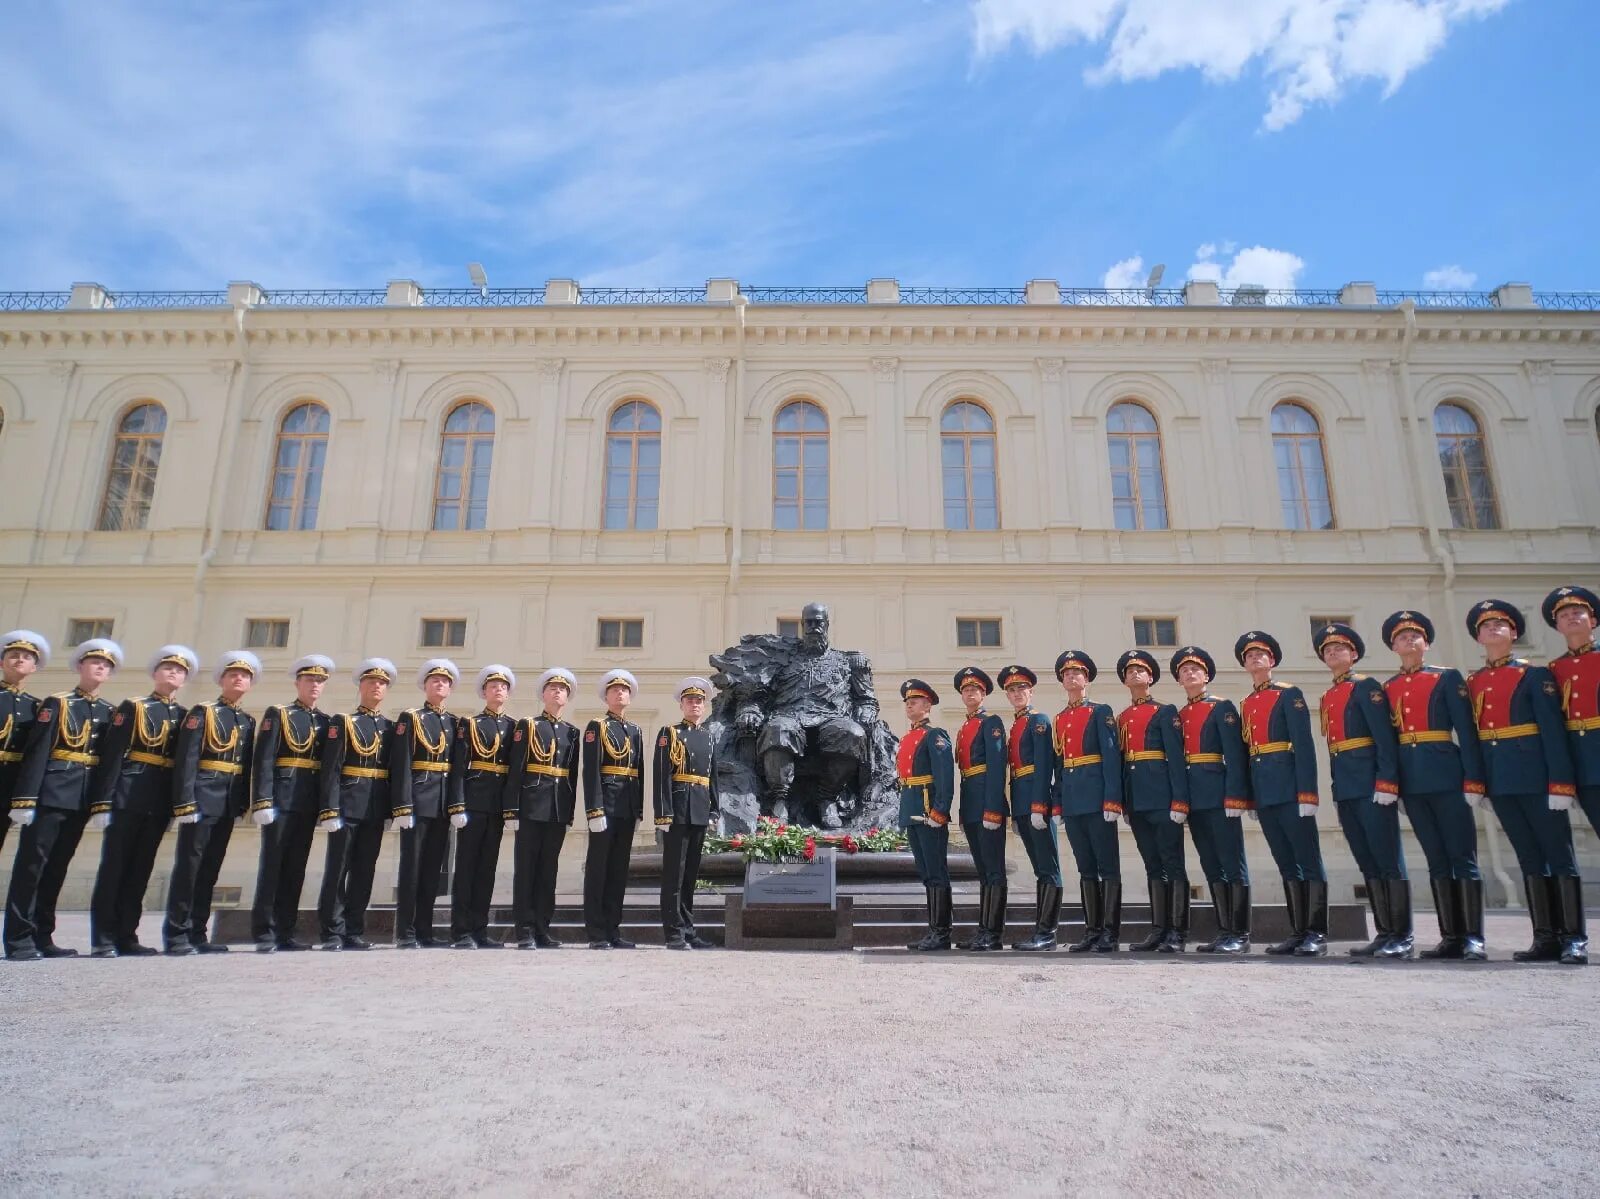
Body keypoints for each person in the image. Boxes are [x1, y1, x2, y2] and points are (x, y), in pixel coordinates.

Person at [1465, 599, 1586, 964]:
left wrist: (1561, 784)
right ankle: (1545, 936)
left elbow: (1552, 732)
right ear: (1478, 637)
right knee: (1530, 859)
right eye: (1485, 627)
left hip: (1537, 779)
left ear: (1514, 632)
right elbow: (1477, 737)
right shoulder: (1475, 681)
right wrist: (1481, 783)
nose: (1493, 630)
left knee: (1559, 857)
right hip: (1502, 782)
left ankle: (1574, 937)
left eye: (1500, 624)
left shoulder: (1535, 675)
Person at [4, 637, 121, 960]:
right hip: (51, 792)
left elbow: (106, 762)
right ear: (80, 666)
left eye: (106, 665)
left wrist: (100, 802)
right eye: (94, 662)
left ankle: (43, 935)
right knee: (31, 866)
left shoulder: (108, 712)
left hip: (80, 798)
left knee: (56, 868)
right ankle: (17, 939)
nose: (100, 668)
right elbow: (38, 752)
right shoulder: (58, 704)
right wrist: (26, 798)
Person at [1382, 610, 1487, 960]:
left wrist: (1473, 779)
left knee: (1463, 857)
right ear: (1393, 646)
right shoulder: (1390, 687)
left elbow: (1467, 732)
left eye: (1415, 636)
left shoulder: (1446, 679)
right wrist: (1394, 785)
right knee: (1437, 860)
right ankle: (1450, 936)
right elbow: (1389, 740)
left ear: (1426, 643)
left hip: (1447, 775)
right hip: (1413, 782)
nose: (1408, 641)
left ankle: (1473, 936)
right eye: (1401, 637)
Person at [87, 644, 196, 957]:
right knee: (114, 867)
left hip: (158, 801)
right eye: (167, 668)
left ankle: (127, 935)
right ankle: (103, 938)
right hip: (127, 795)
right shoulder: (133, 707)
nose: (173, 673)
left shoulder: (183, 716)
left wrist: (178, 803)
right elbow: (111, 757)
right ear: (155, 674)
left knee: (140, 870)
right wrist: (103, 802)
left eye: (180, 670)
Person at [1314, 622, 1409, 960]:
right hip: (1347, 788)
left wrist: (1387, 781)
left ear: (1353, 654)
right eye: (1327, 651)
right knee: (1367, 861)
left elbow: (1384, 738)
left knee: (1388, 859)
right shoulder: (1328, 696)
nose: (1333, 653)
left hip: (1372, 785)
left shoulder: (1366, 687)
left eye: (1339, 648)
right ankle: (1385, 932)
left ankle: (1402, 934)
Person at [1235, 631, 1328, 956]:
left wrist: (1308, 793)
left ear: (1272, 660)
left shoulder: (1289, 695)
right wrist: (1250, 797)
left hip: (1290, 789)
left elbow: (1303, 746)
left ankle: (1315, 932)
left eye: (1260, 654)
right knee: (1287, 864)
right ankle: (1297, 930)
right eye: (1249, 656)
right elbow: (1248, 753)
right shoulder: (1247, 703)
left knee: (1309, 861)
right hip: (1266, 793)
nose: (1255, 659)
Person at [164, 650, 259, 955]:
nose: (239, 679)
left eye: (244, 676)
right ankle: (176, 934)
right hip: (201, 798)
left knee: (210, 870)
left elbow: (243, 765)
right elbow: (188, 758)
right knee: (189, 867)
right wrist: (184, 801)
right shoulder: (202, 712)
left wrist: (242, 802)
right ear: (221, 679)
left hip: (228, 802)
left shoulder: (246, 720)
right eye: (233, 675)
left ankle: (197, 932)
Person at [248, 654, 334, 953]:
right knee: (272, 866)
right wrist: (262, 800)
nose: (315, 685)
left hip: (307, 803)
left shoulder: (324, 721)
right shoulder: (279, 714)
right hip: (281, 800)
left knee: (296, 869)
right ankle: (264, 932)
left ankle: (285, 931)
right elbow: (265, 759)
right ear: (298, 682)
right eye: (310, 679)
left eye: (320, 681)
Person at [1170, 646, 1252, 955]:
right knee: (1212, 865)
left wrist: (1236, 795)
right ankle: (1224, 930)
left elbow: (1235, 754)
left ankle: (1240, 933)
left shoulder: (1222, 708)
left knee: (1233, 864)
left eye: (1195, 669)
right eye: (1184, 671)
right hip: (1195, 799)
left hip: (1220, 796)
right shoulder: (1182, 714)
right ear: (1179, 680)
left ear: (1207, 676)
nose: (1190, 674)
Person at [316, 658, 397, 951]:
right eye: (371, 682)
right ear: (360, 686)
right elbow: (332, 768)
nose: (377, 686)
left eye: (382, 683)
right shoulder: (344, 722)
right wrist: (330, 808)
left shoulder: (390, 728)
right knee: (337, 870)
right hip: (346, 805)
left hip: (374, 807)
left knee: (364, 871)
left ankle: (353, 929)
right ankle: (332, 932)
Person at [1115, 650, 1190, 953]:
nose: (1134, 674)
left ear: (1150, 678)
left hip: (1163, 798)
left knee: (1173, 864)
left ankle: (1178, 931)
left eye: (1140, 670)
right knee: (1152, 866)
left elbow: (1175, 758)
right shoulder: (1122, 717)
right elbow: (1123, 762)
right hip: (1138, 801)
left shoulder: (1164, 711)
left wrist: (1180, 801)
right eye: (1129, 671)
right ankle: (1159, 928)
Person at [1050, 651, 1124, 953]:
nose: (1071, 677)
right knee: (1085, 868)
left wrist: (1112, 800)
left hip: (1097, 799)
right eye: (1066, 674)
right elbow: (1059, 766)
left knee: (1108, 867)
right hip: (1073, 802)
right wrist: (1058, 804)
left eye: (1077, 672)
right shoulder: (1060, 718)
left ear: (1087, 678)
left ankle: (1110, 932)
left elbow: (1111, 758)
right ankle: (1092, 930)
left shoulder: (1100, 712)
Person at [503, 667, 580, 949]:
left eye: (562, 689)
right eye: (552, 688)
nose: (557, 692)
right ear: (543, 695)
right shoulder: (528, 725)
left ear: (567, 698)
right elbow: (516, 769)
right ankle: (523, 930)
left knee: (549, 871)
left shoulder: (572, 732)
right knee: (526, 870)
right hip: (531, 807)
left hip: (557, 809)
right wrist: (511, 810)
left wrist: (569, 813)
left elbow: (570, 775)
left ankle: (542, 929)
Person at [390, 659, 459, 948]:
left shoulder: (453, 722)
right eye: (435, 681)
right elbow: (402, 762)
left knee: (433, 870)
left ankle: (425, 930)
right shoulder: (411, 718)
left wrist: (455, 805)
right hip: (417, 801)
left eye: (445, 681)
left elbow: (455, 767)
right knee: (412, 868)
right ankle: (405, 932)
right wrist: (402, 805)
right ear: (425, 686)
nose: (440, 684)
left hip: (442, 804)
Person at [447, 664, 517, 950]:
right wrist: (457, 804)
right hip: (473, 803)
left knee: (487, 869)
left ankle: (479, 928)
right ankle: (461, 931)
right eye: (493, 686)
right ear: (484, 692)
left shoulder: (514, 727)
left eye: (503, 687)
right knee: (465, 868)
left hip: (497, 806)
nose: (498, 690)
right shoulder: (470, 724)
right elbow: (459, 768)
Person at [653, 677, 721, 950]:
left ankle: (689, 929)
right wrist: (663, 814)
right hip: (678, 812)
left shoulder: (708, 736)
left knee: (691, 874)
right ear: (681, 704)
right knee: (674, 875)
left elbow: (712, 776)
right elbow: (661, 777)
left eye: (700, 700)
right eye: (690, 700)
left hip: (700, 810)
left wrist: (715, 810)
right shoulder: (669, 733)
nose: (695, 704)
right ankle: (673, 933)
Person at [581, 669, 644, 949]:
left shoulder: (635, 730)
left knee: (618, 871)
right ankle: (596, 932)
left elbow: (638, 772)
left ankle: (613, 929)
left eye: (624, 690)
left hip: (626, 807)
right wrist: (594, 809)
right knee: (598, 869)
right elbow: (591, 770)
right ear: (606, 696)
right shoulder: (597, 726)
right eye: (615, 690)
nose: (620, 693)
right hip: (605, 807)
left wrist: (639, 809)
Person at [999, 665, 1061, 951]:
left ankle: (1047, 933)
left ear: (1031, 691)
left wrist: (1039, 805)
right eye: (1011, 690)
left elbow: (1044, 764)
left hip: (1037, 802)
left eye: (1021, 689)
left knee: (1049, 868)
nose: (1016, 694)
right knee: (1040, 869)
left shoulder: (1039, 720)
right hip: (1022, 803)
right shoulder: (1016, 725)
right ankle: (1041, 930)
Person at [951, 666, 1008, 951]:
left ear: (983, 693)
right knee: (983, 872)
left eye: (974, 689)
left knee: (994, 871)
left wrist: (994, 808)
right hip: (971, 806)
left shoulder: (991, 722)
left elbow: (997, 768)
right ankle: (983, 931)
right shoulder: (964, 727)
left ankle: (993, 933)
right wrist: (963, 812)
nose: (970, 693)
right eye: (965, 690)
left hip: (987, 804)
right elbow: (965, 774)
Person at [897, 678, 955, 951]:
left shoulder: (935, 735)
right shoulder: (909, 737)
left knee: (936, 871)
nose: (910, 704)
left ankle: (942, 932)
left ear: (928, 705)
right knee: (926, 873)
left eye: (916, 700)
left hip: (928, 812)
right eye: (908, 701)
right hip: (912, 811)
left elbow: (944, 777)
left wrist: (940, 810)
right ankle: (934, 930)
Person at [1544, 585, 1600, 842]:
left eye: (1578, 612)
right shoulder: (1555, 669)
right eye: (1564, 615)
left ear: (1593, 620)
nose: (1571, 617)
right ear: (1558, 627)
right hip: (1584, 764)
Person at [0, 630, 48, 862]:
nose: (20, 659)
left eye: (27, 657)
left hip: (9, 783)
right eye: (14, 655)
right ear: (2, 662)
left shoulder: (35, 706)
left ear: (34, 668)